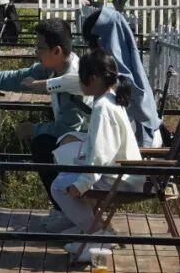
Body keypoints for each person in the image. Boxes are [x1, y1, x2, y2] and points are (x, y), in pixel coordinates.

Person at [0, 19, 91, 218]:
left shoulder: (75, 80)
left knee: (42, 144)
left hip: (90, 149)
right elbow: (16, 78)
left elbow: (68, 131)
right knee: (44, 143)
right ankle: (66, 209)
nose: (36, 51)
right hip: (78, 144)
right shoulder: (55, 66)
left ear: (57, 51)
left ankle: (67, 212)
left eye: (40, 47)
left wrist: (34, 129)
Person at [51, 48, 143, 259]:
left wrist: (82, 183)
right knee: (66, 177)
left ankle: (97, 234)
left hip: (121, 179)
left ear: (91, 79)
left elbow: (101, 153)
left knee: (58, 186)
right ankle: (92, 230)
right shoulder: (111, 98)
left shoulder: (102, 107)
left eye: (81, 78)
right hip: (124, 172)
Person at [81, 3, 163, 147]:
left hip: (141, 147)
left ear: (102, 41)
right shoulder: (125, 72)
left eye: (91, 44)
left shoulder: (117, 80)